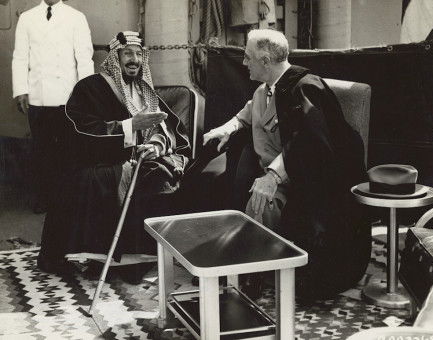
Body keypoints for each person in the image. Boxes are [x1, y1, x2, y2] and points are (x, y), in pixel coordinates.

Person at [203, 29, 371, 299]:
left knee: (259, 204)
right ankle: (250, 267)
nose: (244, 63)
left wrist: (272, 176)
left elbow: (310, 141)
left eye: (248, 58)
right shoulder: (264, 90)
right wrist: (225, 128)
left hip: (312, 184)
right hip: (281, 177)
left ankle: (252, 280)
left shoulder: (306, 87)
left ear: (266, 61)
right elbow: (245, 116)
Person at [37, 31, 191, 282]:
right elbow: (79, 131)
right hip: (98, 161)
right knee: (113, 177)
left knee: (161, 174)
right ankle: (105, 259)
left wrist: (155, 144)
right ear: (114, 58)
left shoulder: (145, 90)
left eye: (138, 54)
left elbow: (164, 128)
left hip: (143, 160)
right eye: (127, 53)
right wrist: (130, 126)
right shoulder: (90, 88)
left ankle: (134, 261)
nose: (134, 59)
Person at [12, 0, 94, 213]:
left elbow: (84, 60)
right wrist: (21, 89)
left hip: (68, 98)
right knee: (42, 150)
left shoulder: (76, 18)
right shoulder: (27, 18)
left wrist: (86, 95)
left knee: (69, 150)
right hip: (38, 96)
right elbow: (20, 58)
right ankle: (44, 198)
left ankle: (68, 201)